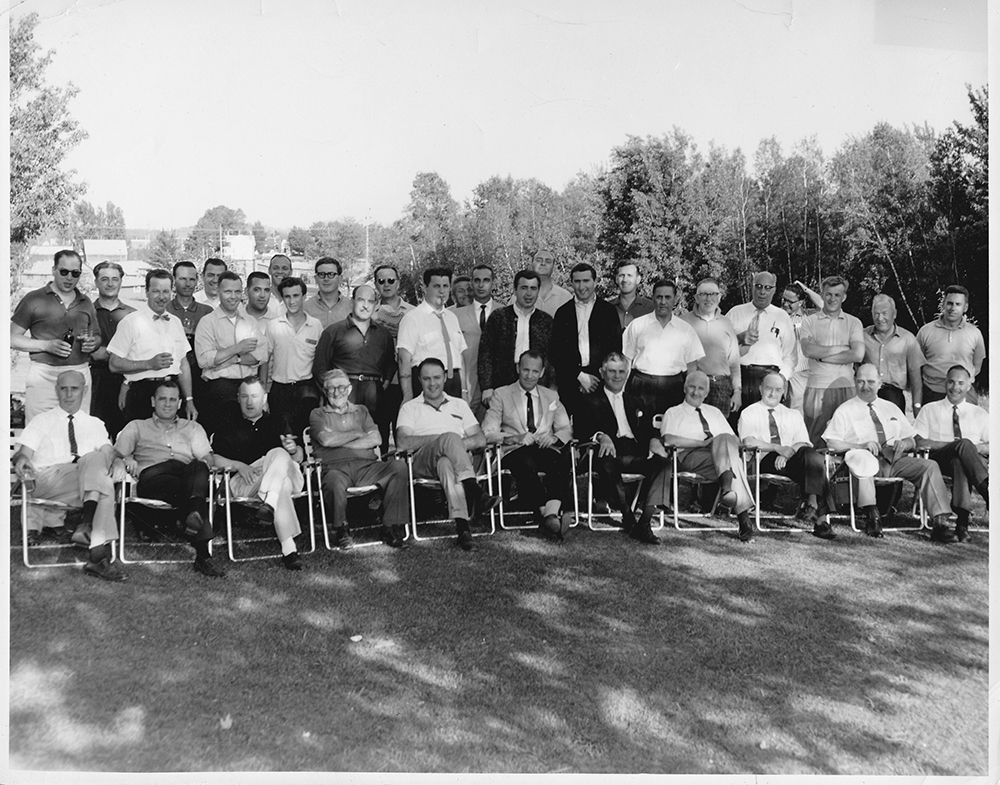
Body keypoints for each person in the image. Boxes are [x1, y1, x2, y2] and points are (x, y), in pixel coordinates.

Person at [12, 371, 127, 581]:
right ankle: (88, 530)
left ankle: (96, 555)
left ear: (84, 390)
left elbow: (108, 451)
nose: (68, 394)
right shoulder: (42, 420)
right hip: (47, 480)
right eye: (63, 388)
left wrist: (118, 460)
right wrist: (21, 461)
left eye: (74, 388)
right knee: (99, 470)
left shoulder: (95, 423)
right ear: (56, 390)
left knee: (100, 477)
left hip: (84, 483)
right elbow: (23, 454)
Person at [823, 364, 955, 542]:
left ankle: (940, 523)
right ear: (855, 382)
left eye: (871, 381)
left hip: (895, 459)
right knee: (863, 459)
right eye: (861, 381)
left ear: (880, 383)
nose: (866, 386)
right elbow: (831, 442)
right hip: (865, 459)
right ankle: (872, 516)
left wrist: (905, 443)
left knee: (929, 466)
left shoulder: (891, 408)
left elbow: (912, 439)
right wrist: (859, 445)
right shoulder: (845, 410)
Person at [114, 379, 225, 577]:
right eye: (162, 399)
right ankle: (199, 537)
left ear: (180, 403)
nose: (167, 404)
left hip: (184, 478)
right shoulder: (137, 426)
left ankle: (198, 539)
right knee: (195, 493)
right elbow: (117, 454)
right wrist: (127, 457)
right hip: (153, 478)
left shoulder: (192, 428)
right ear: (152, 401)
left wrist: (203, 466)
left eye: (172, 400)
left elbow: (207, 458)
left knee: (198, 467)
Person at [395, 358, 500, 551]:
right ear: (419, 379)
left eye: (436, 377)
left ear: (445, 378)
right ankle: (475, 491)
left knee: (446, 462)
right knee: (449, 439)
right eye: (426, 378)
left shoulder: (459, 404)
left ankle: (463, 530)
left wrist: (452, 444)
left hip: (454, 462)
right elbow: (402, 442)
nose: (432, 383)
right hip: (422, 462)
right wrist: (443, 440)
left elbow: (480, 439)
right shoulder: (410, 407)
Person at [211, 376, 307, 571]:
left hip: (284, 474)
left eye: (255, 396)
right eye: (244, 396)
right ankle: (289, 550)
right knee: (283, 484)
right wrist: (238, 465)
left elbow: (298, 458)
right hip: (247, 481)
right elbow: (213, 459)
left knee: (279, 453)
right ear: (238, 398)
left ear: (264, 398)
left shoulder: (278, 421)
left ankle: (269, 503)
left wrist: (293, 449)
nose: (249, 401)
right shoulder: (227, 424)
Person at [649, 370, 756, 543]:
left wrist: (721, 443)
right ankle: (743, 517)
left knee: (725, 440)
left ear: (707, 393)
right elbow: (668, 439)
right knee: (733, 461)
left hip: (718, 458)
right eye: (692, 387)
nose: (696, 392)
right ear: (684, 388)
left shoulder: (714, 412)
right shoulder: (673, 412)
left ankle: (727, 489)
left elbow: (732, 439)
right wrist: (702, 443)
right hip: (688, 456)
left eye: (701, 388)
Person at [309, 369, 409, 549]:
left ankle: (389, 528)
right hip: (335, 469)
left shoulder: (361, 411)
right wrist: (356, 433)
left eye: (341, 387)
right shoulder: (318, 414)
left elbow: (376, 439)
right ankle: (342, 529)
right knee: (332, 480)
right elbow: (326, 439)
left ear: (348, 389)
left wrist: (338, 442)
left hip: (367, 467)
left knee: (399, 467)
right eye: (331, 389)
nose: (336, 392)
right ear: (325, 392)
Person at [573, 352, 666, 545]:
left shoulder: (637, 401)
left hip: (635, 452)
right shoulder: (588, 400)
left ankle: (645, 521)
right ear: (602, 372)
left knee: (663, 463)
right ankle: (628, 517)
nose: (617, 376)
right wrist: (600, 436)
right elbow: (581, 431)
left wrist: (655, 440)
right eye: (611, 371)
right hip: (607, 452)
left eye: (621, 371)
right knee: (606, 458)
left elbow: (649, 430)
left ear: (628, 372)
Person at [482, 351, 574, 540]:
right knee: (525, 462)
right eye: (525, 370)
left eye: (535, 371)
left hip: (542, 448)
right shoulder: (501, 394)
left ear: (542, 373)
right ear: (518, 368)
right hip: (513, 451)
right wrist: (514, 438)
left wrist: (555, 438)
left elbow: (566, 428)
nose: (530, 375)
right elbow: (486, 432)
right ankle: (547, 514)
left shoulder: (551, 396)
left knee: (561, 460)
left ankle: (550, 514)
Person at [737, 372, 835, 539]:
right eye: (768, 388)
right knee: (815, 463)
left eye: (778, 389)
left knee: (812, 456)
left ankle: (812, 503)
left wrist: (788, 453)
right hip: (764, 459)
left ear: (784, 391)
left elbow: (803, 442)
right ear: (760, 389)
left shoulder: (793, 414)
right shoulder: (749, 412)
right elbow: (748, 441)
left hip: (792, 460)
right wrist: (778, 448)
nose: (772, 393)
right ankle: (819, 516)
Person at [11, 249, 100, 422]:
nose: (69, 278)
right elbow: (11, 338)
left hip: (78, 374)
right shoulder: (33, 299)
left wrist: (93, 343)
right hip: (44, 376)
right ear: (53, 270)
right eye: (64, 272)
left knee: (77, 432)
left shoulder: (86, 302)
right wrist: (46, 345)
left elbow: (97, 336)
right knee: (40, 432)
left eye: (75, 273)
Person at [107, 268, 198, 424]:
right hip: (142, 394)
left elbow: (183, 363)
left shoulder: (175, 322)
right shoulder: (131, 322)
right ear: (146, 292)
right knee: (142, 445)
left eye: (166, 291)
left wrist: (189, 399)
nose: (161, 297)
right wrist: (149, 364)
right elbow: (114, 364)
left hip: (172, 391)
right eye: (156, 291)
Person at [914, 365, 989, 542]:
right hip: (939, 461)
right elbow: (919, 442)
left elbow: (993, 445)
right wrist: (957, 445)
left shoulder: (979, 414)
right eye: (951, 382)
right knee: (961, 447)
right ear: (944, 383)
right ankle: (988, 492)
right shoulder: (929, 409)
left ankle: (962, 525)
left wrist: (968, 448)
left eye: (961, 383)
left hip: (969, 463)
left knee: (959, 460)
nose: (955, 387)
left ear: (969, 386)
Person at [313, 284, 396, 441]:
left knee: (376, 440)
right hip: (344, 393)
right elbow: (320, 368)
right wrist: (335, 393)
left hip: (374, 395)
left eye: (370, 301)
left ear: (376, 305)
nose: (365, 305)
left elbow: (390, 365)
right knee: (345, 440)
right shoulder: (333, 332)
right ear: (352, 302)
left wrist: (381, 386)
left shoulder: (383, 334)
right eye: (361, 300)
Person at [194, 271, 270, 432]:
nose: (233, 296)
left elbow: (262, 354)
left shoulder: (249, 321)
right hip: (221, 388)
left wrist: (233, 358)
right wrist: (238, 348)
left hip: (249, 384)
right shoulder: (208, 322)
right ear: (218, 292)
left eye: (237, 292)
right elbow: (204, 359)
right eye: (228, 292)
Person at [798, 275, 865, 446]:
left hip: (846, 387)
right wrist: (843, 348)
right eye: (828, 294)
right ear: (822, 295)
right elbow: (808, 350)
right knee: (816, 441)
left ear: (844, 297)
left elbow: (857, 355)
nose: (832, 299)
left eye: (837, 295)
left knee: (849, 439)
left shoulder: (854, 322)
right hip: (817, 387)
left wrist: (821, 355)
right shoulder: (809, 321)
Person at [622, 278, 703, 417]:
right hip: (641, 385)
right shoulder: (637, 325)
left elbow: (692, 368)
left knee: (671, 431)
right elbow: (626, 362)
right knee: (639, 430)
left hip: (673, 387)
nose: (663, 302)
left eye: (668, 297)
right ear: (652, 298)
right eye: (659, 297)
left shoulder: (686, 330)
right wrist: (621, 393)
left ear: (675, 299)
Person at [551, 263, 623, 416]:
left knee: (601, 432)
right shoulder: (563, 313)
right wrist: (579, 376)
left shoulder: (608, 311)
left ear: (595, 282)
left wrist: (596, 378)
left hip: (602, 383)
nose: (581, 286)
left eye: (586, 281)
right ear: (571, 283)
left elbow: (615, 350)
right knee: (572, 433)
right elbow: (556, 353)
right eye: (577, 281)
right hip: (570, 383)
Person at [479, 270, 554, 406]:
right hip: (502, 384)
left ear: (538, 291)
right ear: (514, 290)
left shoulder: (546, 320)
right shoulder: (499, 317)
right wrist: (486, 386)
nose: (529, 293)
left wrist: (552, 387)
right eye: (524, 288)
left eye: (533, 288)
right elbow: (486, 353)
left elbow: (552, 357)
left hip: (537, 384)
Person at [724, 271, 796, 410]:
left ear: (774, 290)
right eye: (758, 286)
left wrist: (780, 379)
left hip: (771, 379)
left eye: (768, 288)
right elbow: (720, 349)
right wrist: (738, 338)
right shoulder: (735, 313)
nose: (762, 292)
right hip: (740, 380)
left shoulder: (782, 317)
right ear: (752, 287)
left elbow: (791, 357)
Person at [397, 267, 468, 402]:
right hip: (428, 384)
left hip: (454, 384)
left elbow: (460, 357)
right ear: (425, 288)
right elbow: (403, 359)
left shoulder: (452, 317)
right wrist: (407, 396)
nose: (442, 291)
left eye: (445, 286)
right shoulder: (412, 318)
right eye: (436, 286)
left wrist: (464, 391)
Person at [264, 276, 323, 439]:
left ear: (304, 297)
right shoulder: (274, 326)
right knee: (282, 436)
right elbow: (264, 359)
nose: (292, 301)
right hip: (280, 389)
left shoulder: (316, 325)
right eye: (287, 296)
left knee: (305, 436)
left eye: (296, 296)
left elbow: (320, 361)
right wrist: (263, 391)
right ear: (282, 299)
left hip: (307, 389)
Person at [916, 285, 986, 406]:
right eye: (950, 303)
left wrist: (960, 383)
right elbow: (916, 365)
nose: (953, 308)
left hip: (964, 393)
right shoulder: (925, 331)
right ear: (943, 304)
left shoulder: (975, 333)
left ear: (965, 307)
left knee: (967, 425)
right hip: (933, 392)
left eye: (958, 304)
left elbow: (977, 366)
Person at [680, 277, 741, 416]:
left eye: (713, 294)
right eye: (704, 294)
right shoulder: (683, 322)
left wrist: (737, 391)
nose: (709, 298)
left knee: (719, 433)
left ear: (719, 297)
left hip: (720, 387)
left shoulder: (727, 323)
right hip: (693, 386)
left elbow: (734, 363)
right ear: (696, 298)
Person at [90, 261, 136, 440]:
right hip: (96, 380)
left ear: (121, 282)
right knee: (97, 434)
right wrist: (119, 353)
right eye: (105, 279)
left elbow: (137, 352)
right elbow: (92, 353)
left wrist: (106, 352)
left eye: (115, 279)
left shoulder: (133, 315)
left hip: (126, 380)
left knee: (124, 435)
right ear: (96, 282)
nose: (110, 284)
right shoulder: (86, 312)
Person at [372, 264, 414, 453]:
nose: (386, 285)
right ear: (376, 284)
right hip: (379, 382)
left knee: (404, 432)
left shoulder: (413, 313)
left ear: (398, 283)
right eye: (381, 281)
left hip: (407, 382)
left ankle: (406, 476)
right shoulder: (370, 312)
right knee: (378, 431)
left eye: (391, 280)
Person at [862, 294, 924, 414]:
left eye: (885, 313)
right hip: (867, 394)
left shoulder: (908, 339)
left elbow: (916, 379)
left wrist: (917, 407)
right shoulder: (862, 336)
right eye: (876, 313)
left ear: (894, 314)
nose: (880, 318)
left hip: (894, 397)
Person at [166, 261, 213, 415]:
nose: (187, 284)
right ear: (174, 280)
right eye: (182, 279)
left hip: (199, 374)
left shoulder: (206, 311)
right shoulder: (165, 310)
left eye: (192, 279)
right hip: (171, 373)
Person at [452, 264, 498, 419]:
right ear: (471, 282)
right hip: (467, 386)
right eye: (477, 280)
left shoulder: (504, 312)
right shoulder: (456, 316)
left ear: (493, 282)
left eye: (486, 280)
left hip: (497, 388)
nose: (481, 285)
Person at [780, 281, 820, 411]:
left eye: (790, 301)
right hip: (779, 371)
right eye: (784, 299)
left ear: (801, 302)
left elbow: (824, 306)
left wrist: (805, 289)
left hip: (801, 373)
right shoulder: (776, 315)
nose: (785, 304)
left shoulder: (809, 317)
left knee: (798, 411)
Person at [507, 249, 573, 317]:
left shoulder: (566, 298)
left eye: (548, 261)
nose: (543, 263)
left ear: (553, 266)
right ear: (532, 263)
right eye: (539, 260)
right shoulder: (517, 297)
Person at [304, 257, 352, 328]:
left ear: (340, 278)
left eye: (331, 274)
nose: (326, 279)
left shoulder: (351, 308)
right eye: (321, 274)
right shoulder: (305, 309)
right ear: (316, 279)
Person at [608, 259, 653, 329]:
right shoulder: (606, 308)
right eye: (621, 275)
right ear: (616, 279)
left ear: (638, 279)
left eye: (629, 275)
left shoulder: (651, 309)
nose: (625, 279)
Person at [265, 254, 293, 318]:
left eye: (284, 268)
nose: (280, 271)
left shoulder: (297, 299)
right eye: (275, 268)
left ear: (291, 272)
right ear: (269, 270)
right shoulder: (262, 297)